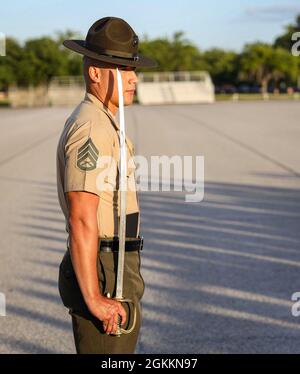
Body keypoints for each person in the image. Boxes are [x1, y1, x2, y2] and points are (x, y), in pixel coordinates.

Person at [56, 17, 157, 354]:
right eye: (121, 69)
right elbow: (82, 217)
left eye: (133, 69)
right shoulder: (93, 129)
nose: (133, 78)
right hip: (104, 269)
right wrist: (96, 299)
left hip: (115, 263)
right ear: (95, 73)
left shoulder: (105, 121)